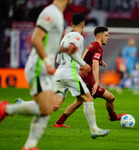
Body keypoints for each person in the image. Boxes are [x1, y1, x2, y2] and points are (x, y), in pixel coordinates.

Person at [14, 14, 110, 139]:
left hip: (60, 71)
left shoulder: (66, 36)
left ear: (71, 24)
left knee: (54, 105)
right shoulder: (78, 37)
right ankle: (94, 130)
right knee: (88, 99)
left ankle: (21, 105)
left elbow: (59, 58)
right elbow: (71, 50)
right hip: (70, 73)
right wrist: (83, 64)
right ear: (83, 24)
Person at [0, 0, 72, 150]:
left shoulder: (58, 14)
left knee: (47, 108)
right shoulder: (51, 12)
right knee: (46, 108)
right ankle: (7, 109)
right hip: (39, 67)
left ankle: (30, 145)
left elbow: (49, 44)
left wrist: (64, 50)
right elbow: (36, 39)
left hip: (44, 69)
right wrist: (47, 62)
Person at [54, 26, 126, 128]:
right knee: (111, 98)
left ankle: (59, 122)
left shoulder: (92, 45)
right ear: (99, 36)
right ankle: (112, 117)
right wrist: (97, 82)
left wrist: (98, 62)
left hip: (82, 77)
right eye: (106, 35)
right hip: (88, 81)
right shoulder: (98, 47)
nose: (108, 38)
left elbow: (87, 59)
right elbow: (94, 65)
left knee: (79, 102)